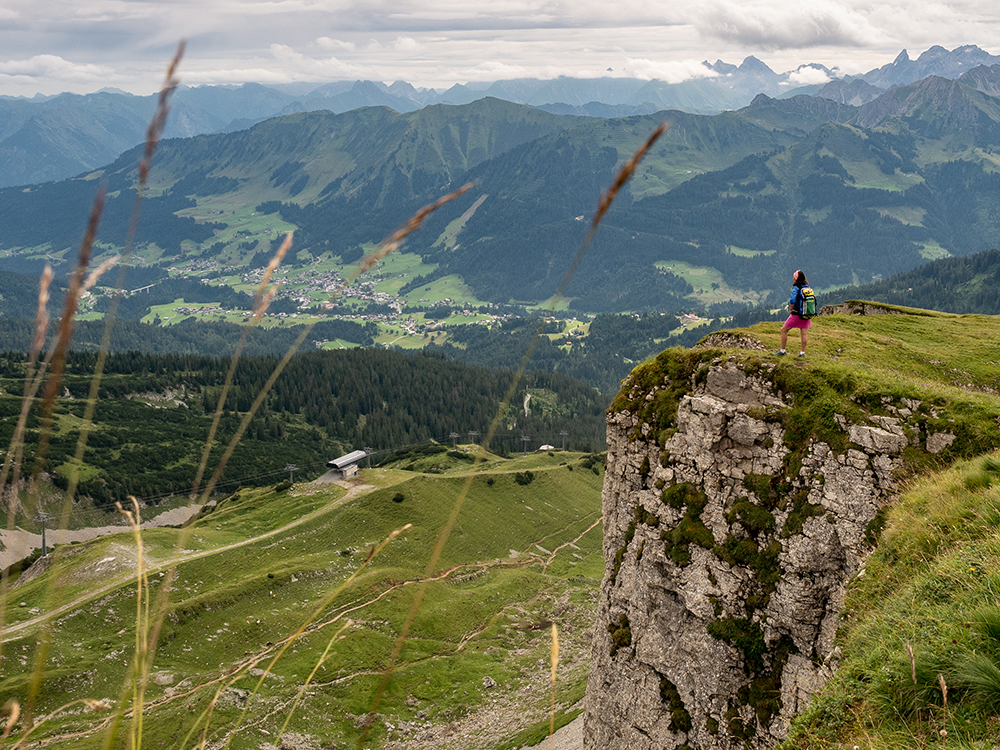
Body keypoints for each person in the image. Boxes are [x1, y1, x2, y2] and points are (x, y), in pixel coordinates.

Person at [774, 269, 811, 357]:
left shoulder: (796, 288)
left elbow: (792, 299)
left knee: (783, 330)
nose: (793, 279)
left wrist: (791, 310)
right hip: (806, 314)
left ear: (796, 278)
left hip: (797, 314)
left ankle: (783, 351)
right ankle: (802, 353)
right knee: (804, 333)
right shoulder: (807, 287)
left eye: (794, 278)